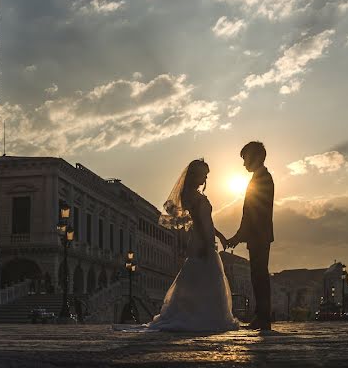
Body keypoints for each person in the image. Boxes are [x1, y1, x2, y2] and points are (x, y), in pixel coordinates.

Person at [116, 158, 239, 332]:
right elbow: (200, 223)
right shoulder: (193, 196)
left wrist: (220, 236)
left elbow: (207, 221)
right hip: (202, 241)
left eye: (206, 175)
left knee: (200, 280)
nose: (205, 179)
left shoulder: (193, 195)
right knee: (207, 279)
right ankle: (205, 317)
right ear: (194, 175)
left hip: (204, 239)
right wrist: (207, 242)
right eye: (203, 174)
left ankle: (200, 315)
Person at [224, 141, 275, 331]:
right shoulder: (261, 178)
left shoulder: (261, 179)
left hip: (259, 235)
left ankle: (263, 318)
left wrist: (238, 236)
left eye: (245, 158)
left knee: (259, 275)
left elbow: (252, 214)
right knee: (258, 275)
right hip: (259, 234)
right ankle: (261, 317)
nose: (244, 164)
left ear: (257, 157)